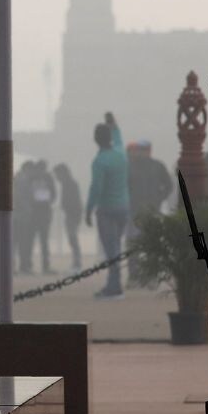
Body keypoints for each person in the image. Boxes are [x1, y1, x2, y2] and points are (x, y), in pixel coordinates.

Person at [85, 111, 130, 297]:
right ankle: (114, 283)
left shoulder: (99, 161)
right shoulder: (120, 153)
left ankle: (114, 286)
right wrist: (113, 124)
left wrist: (88, 211)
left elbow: (96, 188)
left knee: (110, 249)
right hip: (124, 207)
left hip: (106, 209)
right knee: (116, 246)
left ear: (95, 139)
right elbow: (119, 139)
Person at [126, 139, 172, 285]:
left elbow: (169, 186)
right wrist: (159, 198)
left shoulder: (133, 167)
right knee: (139, 244)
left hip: (143, 210)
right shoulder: (156, 166)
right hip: (140, 211)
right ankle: (139, 276)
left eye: (143, 149)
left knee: (140, 244)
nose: (142, 152)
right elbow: (168, 186)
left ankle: (144, 276)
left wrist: (160, 198)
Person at [53, 162, 82, 270]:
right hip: (71, 214)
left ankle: (77, 262)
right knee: (72, 239)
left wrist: (71, 212)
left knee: (73, 238)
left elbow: (74, 202)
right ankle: (76, 261)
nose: (57, 177)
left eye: (57, 174)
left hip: (72, 215)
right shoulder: (68, 184)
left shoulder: (70, 184)